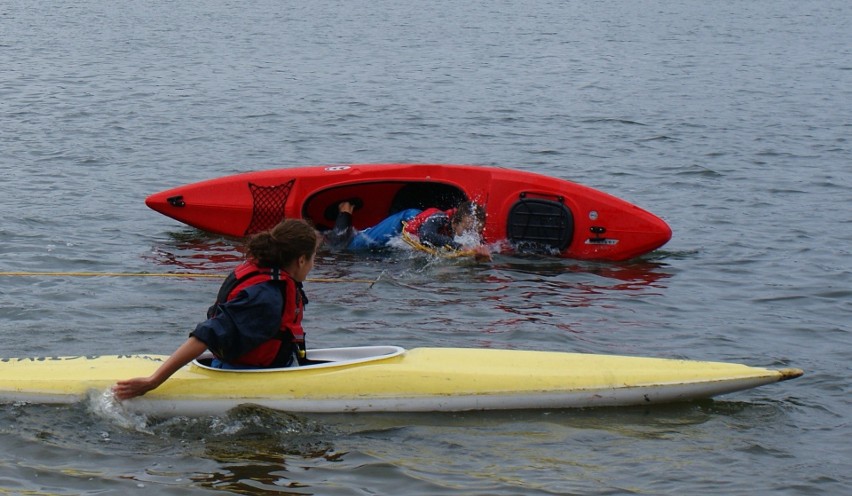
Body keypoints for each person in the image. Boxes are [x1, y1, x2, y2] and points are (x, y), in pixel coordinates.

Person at [112, 218, 319, 401]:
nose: (313, 265)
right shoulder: (266, 297)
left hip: (266, 367)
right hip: (245, 374)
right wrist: (153, 381)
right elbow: (208, 334)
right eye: (313, 258)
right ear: (301, 260)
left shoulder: (271, 277)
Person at [325, 200, 490, 261]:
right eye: (467, 229)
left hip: (417, 221)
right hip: (402, 222)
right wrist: (461, 248)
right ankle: (345, 207)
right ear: (455, 222)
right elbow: (427, 235)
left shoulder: (468, 230)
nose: (471, 234)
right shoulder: (440, 218)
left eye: (475, 230)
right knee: (345, 247)